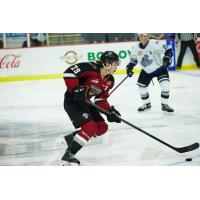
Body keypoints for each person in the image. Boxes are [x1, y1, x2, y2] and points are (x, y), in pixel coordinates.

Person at [62, 51, 121, 165]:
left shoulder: (110, 80)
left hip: (87, 103)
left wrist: (109, 112)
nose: (117, 66)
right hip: (73, 102)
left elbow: (100, 100)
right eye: (115, 64)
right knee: (90, 126)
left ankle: (71, 139)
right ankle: (68, 155)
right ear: (107, 64)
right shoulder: (90, 67)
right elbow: (68, 73)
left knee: (102, 127)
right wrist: (76, 88)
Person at [126, 33, 174, 112]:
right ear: (139, 37)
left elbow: (168, 48)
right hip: (146, 70)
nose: (145, 37)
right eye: (143, 36)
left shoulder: (154, 43)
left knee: (165, 85)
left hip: (160, 68)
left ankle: (164, 104)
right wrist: (130, 68)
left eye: (146, 35)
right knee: (141, 89)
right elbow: (133, 59)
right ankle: (147, 104)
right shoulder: (135, 48)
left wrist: (167, 57)